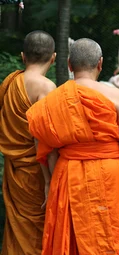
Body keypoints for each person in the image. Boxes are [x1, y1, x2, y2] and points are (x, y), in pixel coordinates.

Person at [26, 38, 119, 254]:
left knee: (69, 240)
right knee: (109, 238)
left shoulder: (53, 100)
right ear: (100, 64)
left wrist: (53, 182)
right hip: (110, 175)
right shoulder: (115, 96)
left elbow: (44, 144)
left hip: (69, 173)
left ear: (70, 65)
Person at [0, 30, 58, 255]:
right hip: (36, 173)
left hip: (14, 169)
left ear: (23, 56)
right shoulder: (46, 88)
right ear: (53, 57)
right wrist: (48, 181)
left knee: (16, 228)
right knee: (35, 232)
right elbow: (40, 138)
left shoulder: (10, 81)